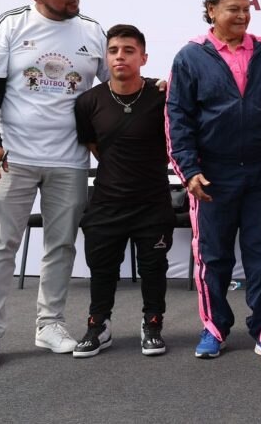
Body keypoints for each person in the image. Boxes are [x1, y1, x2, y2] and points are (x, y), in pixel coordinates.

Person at [0, 0, 107, 370]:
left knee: (61, 245)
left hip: (70, 159)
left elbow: (115, 86)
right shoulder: (12, 25)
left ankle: (50, 324)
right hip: (15, 157)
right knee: (1, 245)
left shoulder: (92, 31)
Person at [165, 0, 261, 364]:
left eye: (246, 9)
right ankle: (214, 329)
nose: (242, 15)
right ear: (212, 10)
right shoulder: (190, 57)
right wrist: (189, 170)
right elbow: (177, 118)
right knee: (213, 257)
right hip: (212, 176)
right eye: (233, 9)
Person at [71, 24, 175, 358]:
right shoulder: (88, 102)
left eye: (129, 51)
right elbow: (94, 146)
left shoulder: (163, 95)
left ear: (143, 57)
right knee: (102, 268)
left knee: (153, 268)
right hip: (107, 202)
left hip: (152, 201)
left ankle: (152, 324)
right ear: (105, 57)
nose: (120, 57)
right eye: (114, 50)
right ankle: (98, 325)